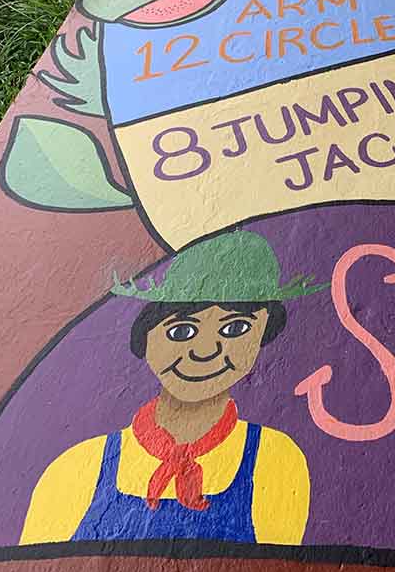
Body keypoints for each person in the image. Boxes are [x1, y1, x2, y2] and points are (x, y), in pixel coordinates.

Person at [20, 231, 326, 546]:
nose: (206, 351)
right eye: (181, 330)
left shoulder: (273, 459)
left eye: (236, 328)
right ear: (146, 339)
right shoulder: (77, 468)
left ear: (262, 332)